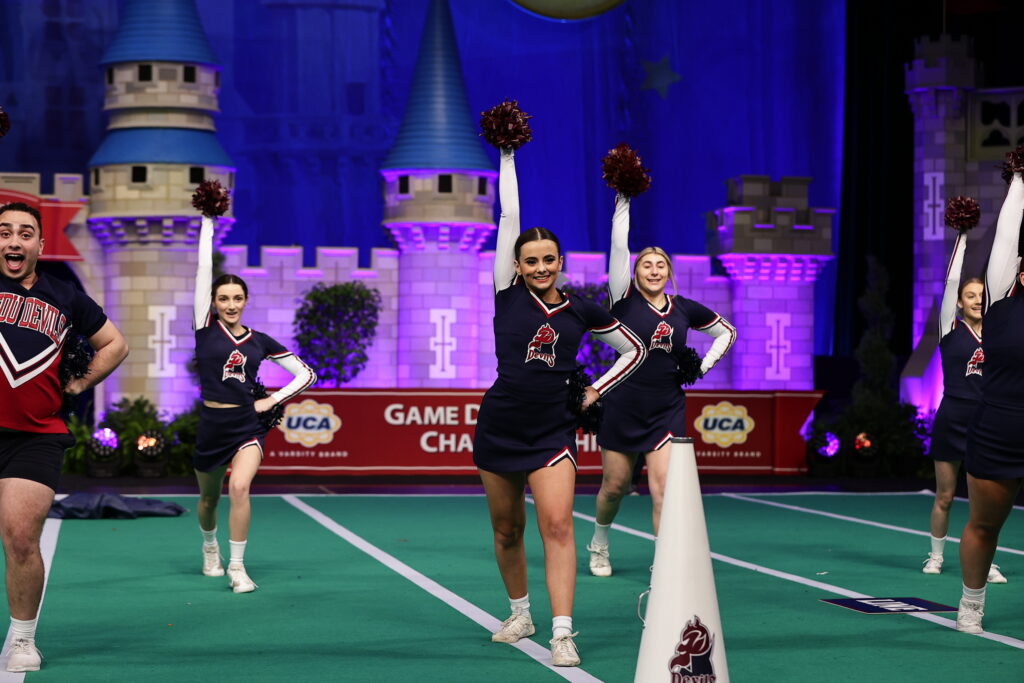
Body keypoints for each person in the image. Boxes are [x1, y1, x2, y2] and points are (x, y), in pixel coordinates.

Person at [475, 147, 647, 667]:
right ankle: (521, 611)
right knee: (507, 530)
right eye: (531, 260)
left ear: (561, 263)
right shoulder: (506, 292)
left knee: (557, 527)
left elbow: (634, 349)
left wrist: (597, 388)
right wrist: (507, 154)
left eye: (549, 259)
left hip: (553, 432)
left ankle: (563, 632)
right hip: (500, 426)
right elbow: (509, 216)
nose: (541, 266)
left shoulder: (582, 309)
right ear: (517, 266)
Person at [0, 202, 129, 672]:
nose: (14, 241)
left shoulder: (65, 295)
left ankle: (21, 638)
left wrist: (77, 383)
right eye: (5, 232)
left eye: (25, 234)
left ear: (40, 244)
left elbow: (116, 343)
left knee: (19, 539)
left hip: (35, 435)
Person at [588, 191, 736, 577]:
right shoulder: (622, 301)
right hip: (622, 406)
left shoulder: (684, 308)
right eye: (646, 266)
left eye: (660, 266)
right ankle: (600, 542)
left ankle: (665, 566)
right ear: (635, 274)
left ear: (669, 273)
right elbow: (619, 247)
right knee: (615, 486)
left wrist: (700, 367)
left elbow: (726, 332)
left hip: (666, 408)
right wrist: (624, 199)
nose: (653, 271)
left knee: (665, 491)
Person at [192, 210, 316, 593]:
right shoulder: (203, 329)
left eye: (237, 298)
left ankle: (238, 568)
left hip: (247, 424)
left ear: (246, 301)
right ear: (212, 302)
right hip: (212, 426)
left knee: (241, 488)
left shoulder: (260, 341)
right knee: (209, 500)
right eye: (223, 298)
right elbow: (202, 268)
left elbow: (307, 374)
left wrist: (272, 400)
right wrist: (208, 223)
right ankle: (209, 546)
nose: (230, 304)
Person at [956, 162, 1024, 633]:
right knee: (985, 525)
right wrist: (1020, 177)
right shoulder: (1002, 295)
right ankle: (971, 605)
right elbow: (1006, 235)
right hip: (1000, 426)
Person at [923, 204, 1004, 582]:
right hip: (952, 417)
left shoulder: (1000, 333)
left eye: (981, 295)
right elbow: (950, 284)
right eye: (970, 295)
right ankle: (936, 555)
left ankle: (985, 561)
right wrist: (963, 235)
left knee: (983, 501)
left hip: (986, 421)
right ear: (960, 302)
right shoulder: (948, 330)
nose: (975, 299)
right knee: (945, 495)